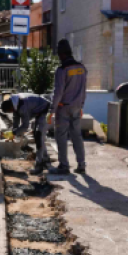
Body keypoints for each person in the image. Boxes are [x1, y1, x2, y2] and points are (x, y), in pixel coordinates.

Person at [51, 39, 88, 174]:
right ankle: (81, 164)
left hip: (64, 107)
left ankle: (64, 166)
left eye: (59, 55)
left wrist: (52, 110)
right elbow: (84, 89)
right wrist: (82, 105)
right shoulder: (81, 68)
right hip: (77, 107)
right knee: (76, 136)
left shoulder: (62, 70)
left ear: (61, 54)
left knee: (61, 136)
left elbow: (58, 92)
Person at [2, 93, 52, 173]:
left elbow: (25, 126)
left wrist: (14, 133)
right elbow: (16, 120)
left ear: (11, 106)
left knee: (39, 136)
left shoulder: (22, 105)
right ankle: (46, 160)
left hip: (45, 110)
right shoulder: (15, 103)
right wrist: (13, 132)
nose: (11, 112)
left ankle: (39, 166)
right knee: (38, 136)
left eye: (10, 110)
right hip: (38, 111)